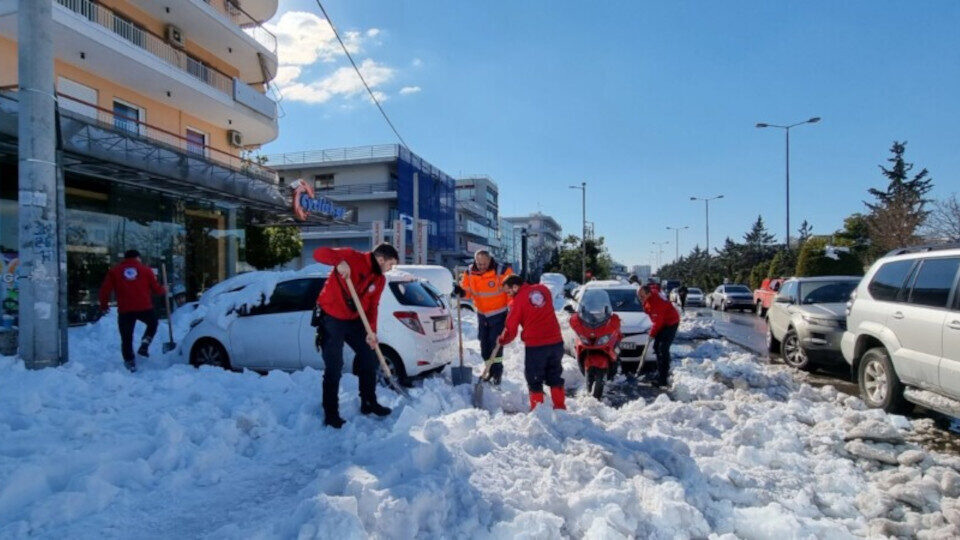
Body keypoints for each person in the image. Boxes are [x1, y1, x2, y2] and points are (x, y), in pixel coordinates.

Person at [313, 243, 399, 429]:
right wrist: (338, 262)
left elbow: (372, 306)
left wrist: (371, 332)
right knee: (334, 366)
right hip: (332, 318)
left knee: (370, 358)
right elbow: (319, 253)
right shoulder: (352, 257)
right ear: (380, 259)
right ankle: (331, 413)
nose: (390, 269)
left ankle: (369, 402)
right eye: (390, 264)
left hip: (354, 320)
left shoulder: (379, 280)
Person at [498, 275, 566, 411]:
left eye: (509, 291)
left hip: (536, 346)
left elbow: (511, 329)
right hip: (556, 342)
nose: (508, 295)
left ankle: (538, 410)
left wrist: (502, 339)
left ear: (515, 287)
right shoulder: (543, 290)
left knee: (534, 378)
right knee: (555, 375)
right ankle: (560, 407)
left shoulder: (516, 302)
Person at [99, 250, 166, 372]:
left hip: (125, 310)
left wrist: (104, 306)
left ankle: (130, 362)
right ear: (138, 258)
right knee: (153, 323)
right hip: (144, 308)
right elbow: (157, 289)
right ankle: (145, 343)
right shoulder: (146, 270)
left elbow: (104, 290)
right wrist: (164, 289)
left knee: (126, 337)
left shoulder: (115, 271)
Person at [454, 250, 512, 384]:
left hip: (499, 314)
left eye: (484, 264)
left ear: (490, 260)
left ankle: (497, 372)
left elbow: (511, 292)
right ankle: (489, 369)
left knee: (495, 343)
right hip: (482, 314)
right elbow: (468, 292)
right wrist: (461, 292)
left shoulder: (502, 271)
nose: (481, 266)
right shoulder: (469, 272)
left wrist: (512, 309)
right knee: (484, 344)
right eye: (479, 263)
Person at [638, 284, 680, 388]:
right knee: (656, 347)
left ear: (648, 294)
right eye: (639, 296)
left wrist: (651, 334)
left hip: (670, 323)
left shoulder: (656, 303)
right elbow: (655, 287)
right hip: (663, 321)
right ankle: (661, 371)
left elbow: (657, 323)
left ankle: (663, 379)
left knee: (663, 349)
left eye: (642, 296)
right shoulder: (651, 293)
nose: (640, 299)